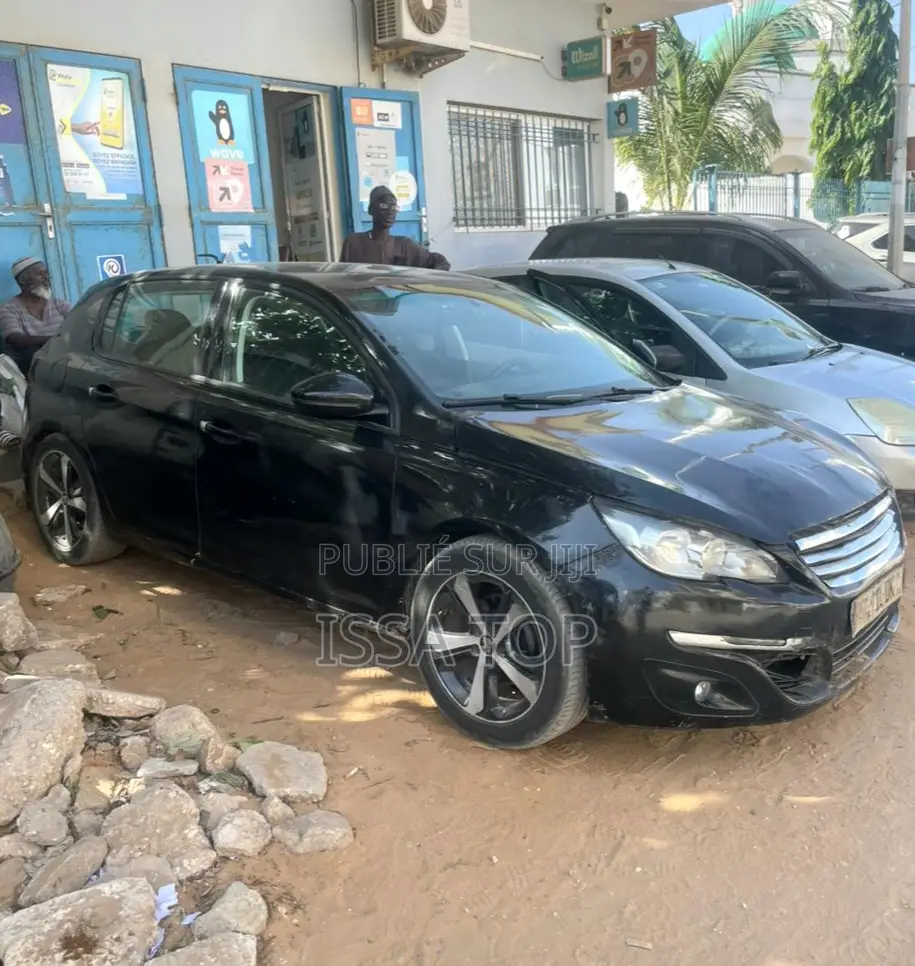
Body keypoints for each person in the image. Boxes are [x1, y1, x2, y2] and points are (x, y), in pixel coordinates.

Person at [340, 186, 450, 269]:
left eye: (394, 208)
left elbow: (441, 262)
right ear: (371, 210)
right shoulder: (354, 243)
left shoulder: (404, 246)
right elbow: (343, 280)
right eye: (384, 206)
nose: (389, 212)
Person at [0, 257, 71, 378]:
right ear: (23, 280)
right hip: (35, 367)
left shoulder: (59, 304)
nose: (46, 277)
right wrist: (55, 339)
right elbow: (15, 339)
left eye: (46, 273)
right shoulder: (9, 308)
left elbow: (80, 324)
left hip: (65, 361)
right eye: (40, 274)